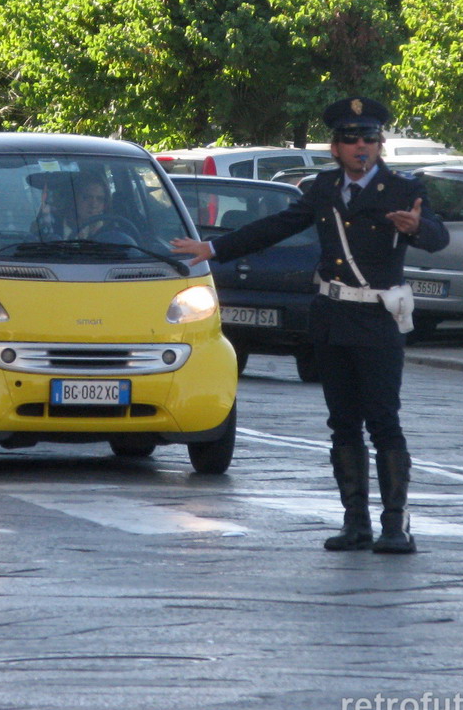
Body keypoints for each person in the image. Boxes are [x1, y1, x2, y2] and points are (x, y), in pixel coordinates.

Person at [171, 97, 448, 555]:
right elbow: (277, 226)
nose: (362, 146)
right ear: (334, 148)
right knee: (342, 423)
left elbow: (438, 237)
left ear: (381, 145)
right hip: (333, 318)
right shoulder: (322, 188)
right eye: (351, 139)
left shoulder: (403, 189)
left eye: (370, 138)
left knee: (383, 422)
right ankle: (355, 522)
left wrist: (418, 228)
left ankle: (395, 526)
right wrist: (213, 249)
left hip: (377, 319)